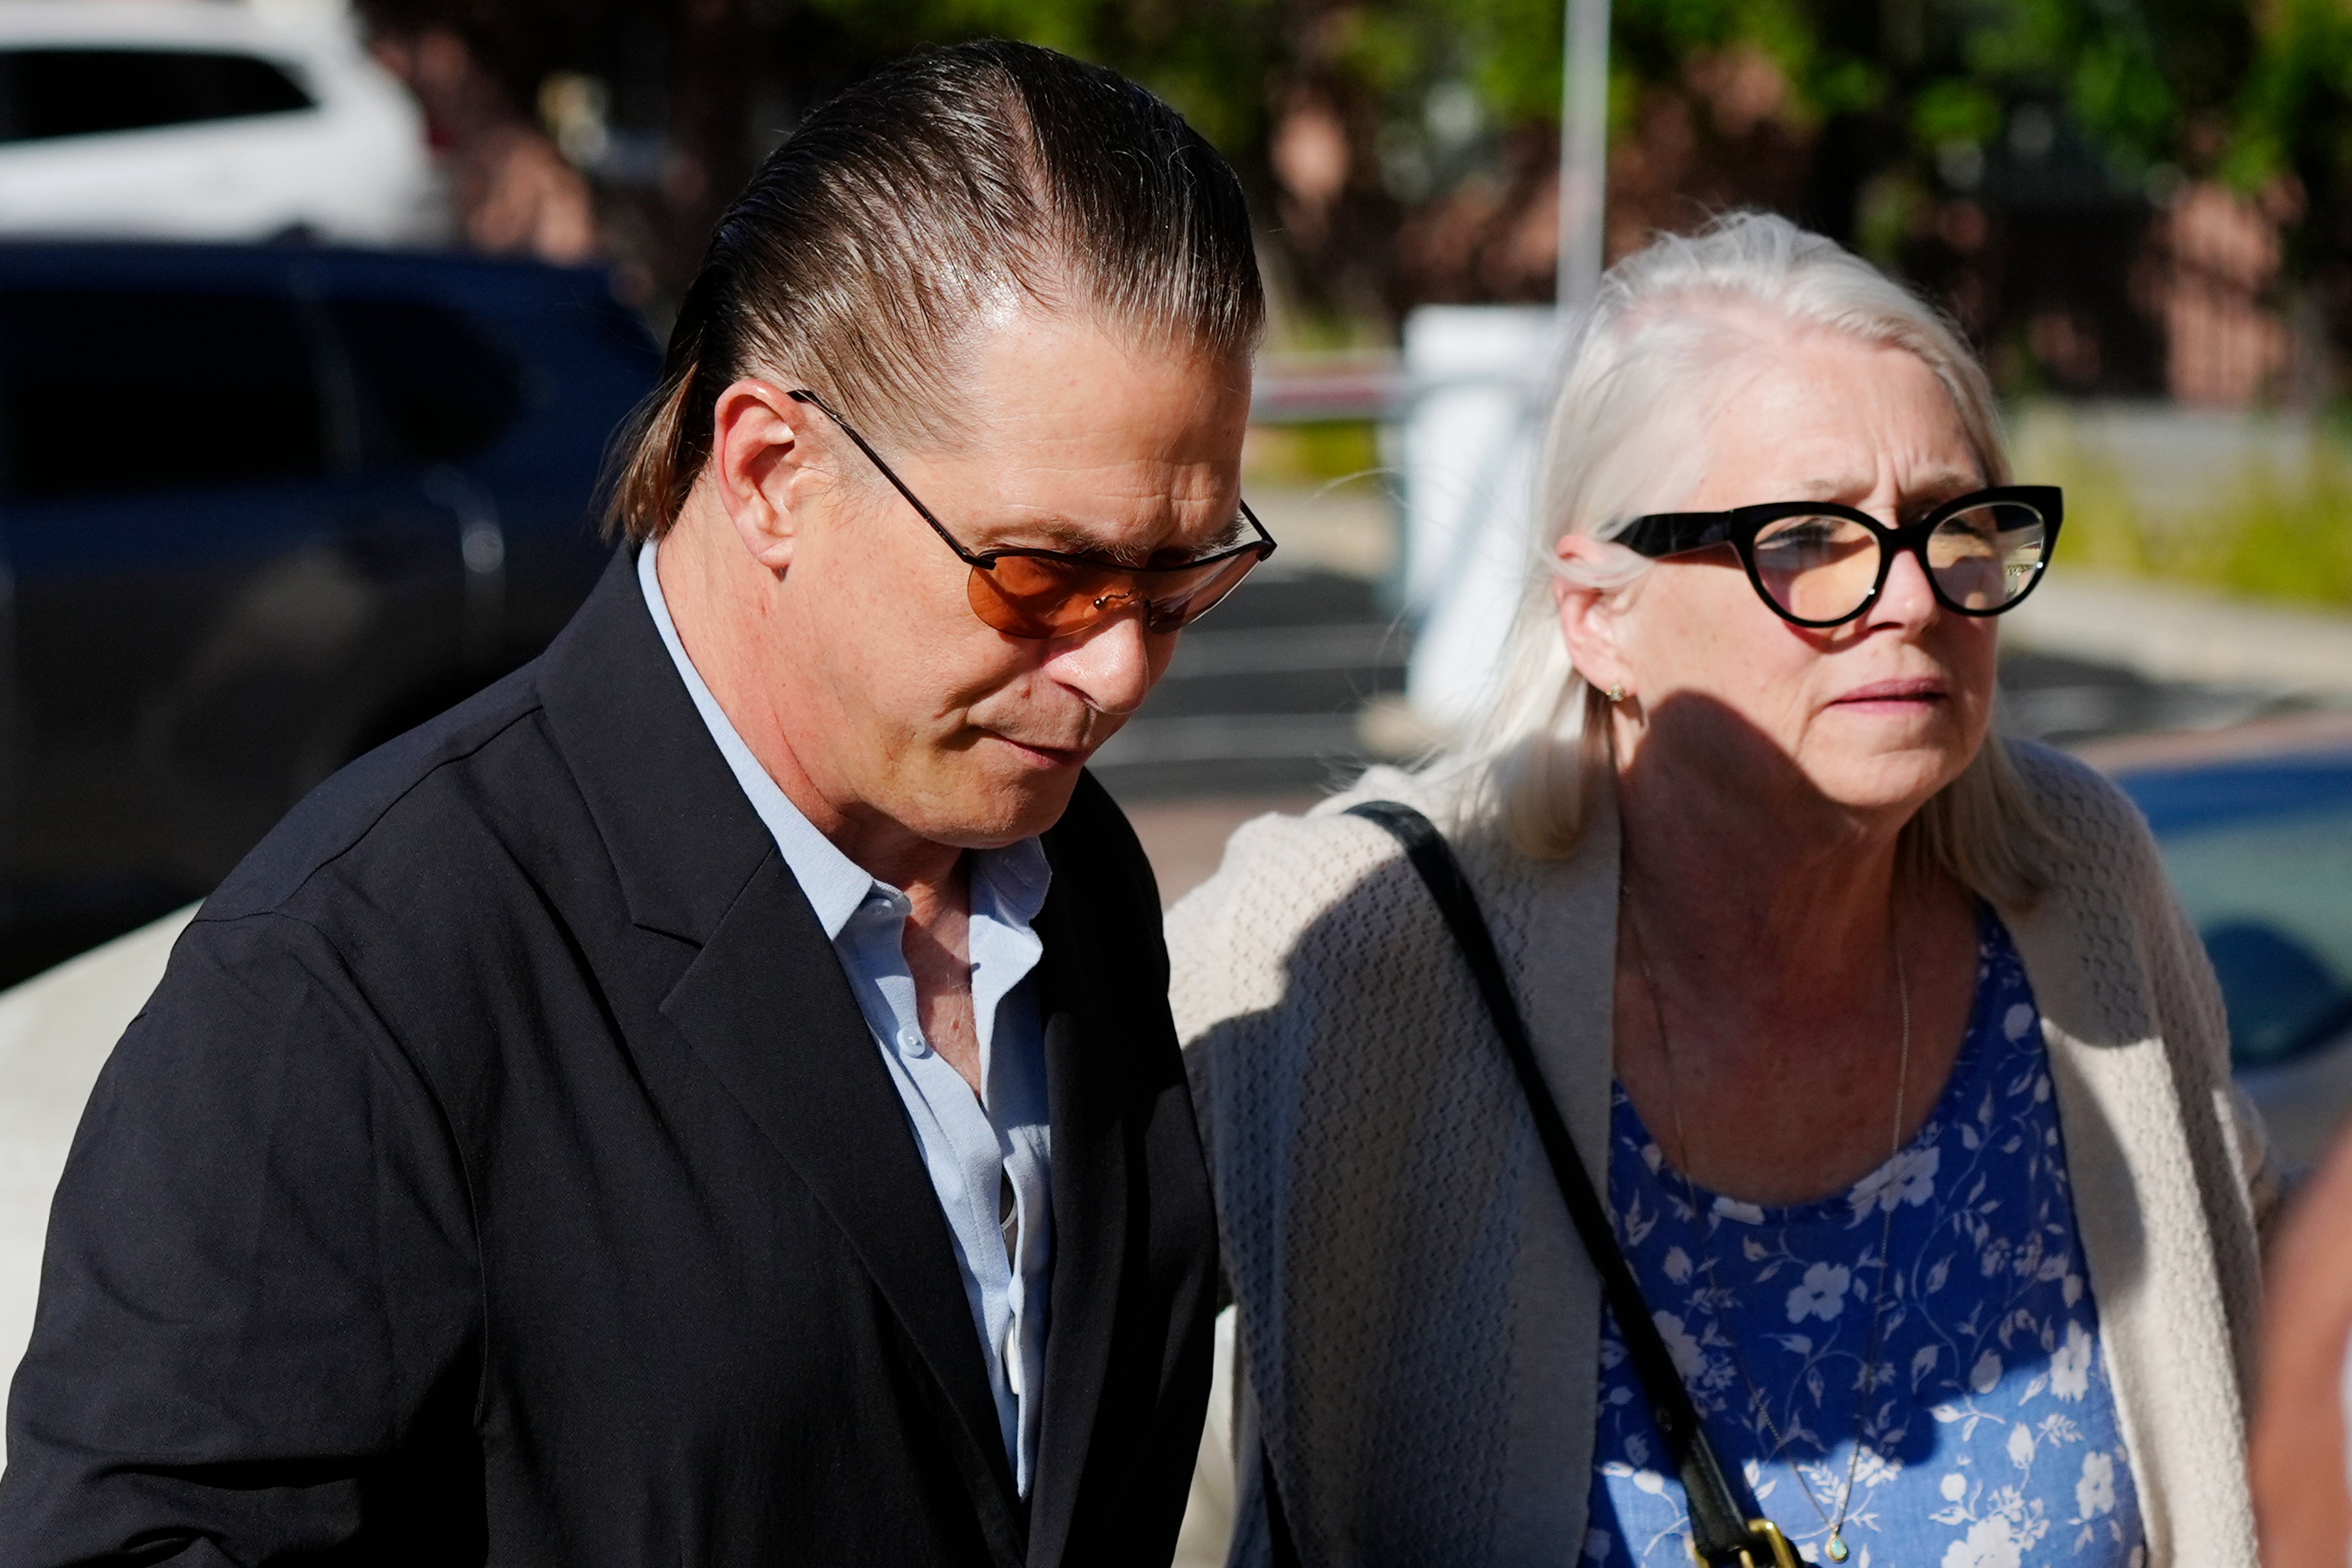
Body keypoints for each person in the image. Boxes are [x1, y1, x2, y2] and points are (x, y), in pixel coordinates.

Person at [0, 40, 1266, 1567]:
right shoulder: (357, 986)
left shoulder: (1078, 886)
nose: (1121, 669)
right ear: (771, 472)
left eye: (1185, 577)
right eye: (1044, 574)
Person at [1171, 213, 2276, 1567]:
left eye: (1953, 524)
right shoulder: (1364, 934)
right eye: (1808, 538)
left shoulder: (2076, 886)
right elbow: (1000, 1312)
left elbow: (2258, 1353)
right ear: (1601, 612)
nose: (1915, 600)